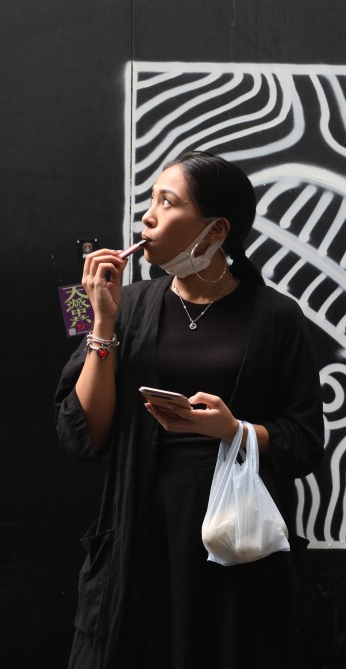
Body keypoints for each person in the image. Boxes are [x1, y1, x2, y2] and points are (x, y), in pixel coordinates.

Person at [54, 150, 325, 669]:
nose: (147, 217)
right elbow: (83, 434)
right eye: (149, 201)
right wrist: (103, 327)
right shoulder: (123, 304)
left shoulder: (276, 317)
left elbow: (306, 440)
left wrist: (237, 430)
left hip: (232, 541)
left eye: (166, 202)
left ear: (215, 229)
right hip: (138, 532)